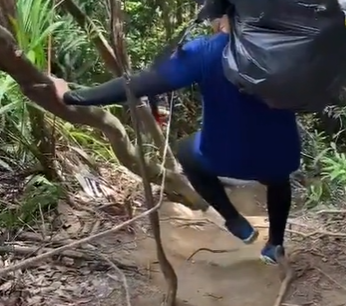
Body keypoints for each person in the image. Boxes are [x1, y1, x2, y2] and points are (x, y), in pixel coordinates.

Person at [51, 15, 301, 264]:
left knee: (186, 151)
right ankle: (274, 245)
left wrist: (71, 96)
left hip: (226, 159)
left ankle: (235, 220)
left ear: (220, 14)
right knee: (279, 177)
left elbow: (137, 84)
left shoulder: (205, 51)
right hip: (281, 156)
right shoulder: (286, 46)